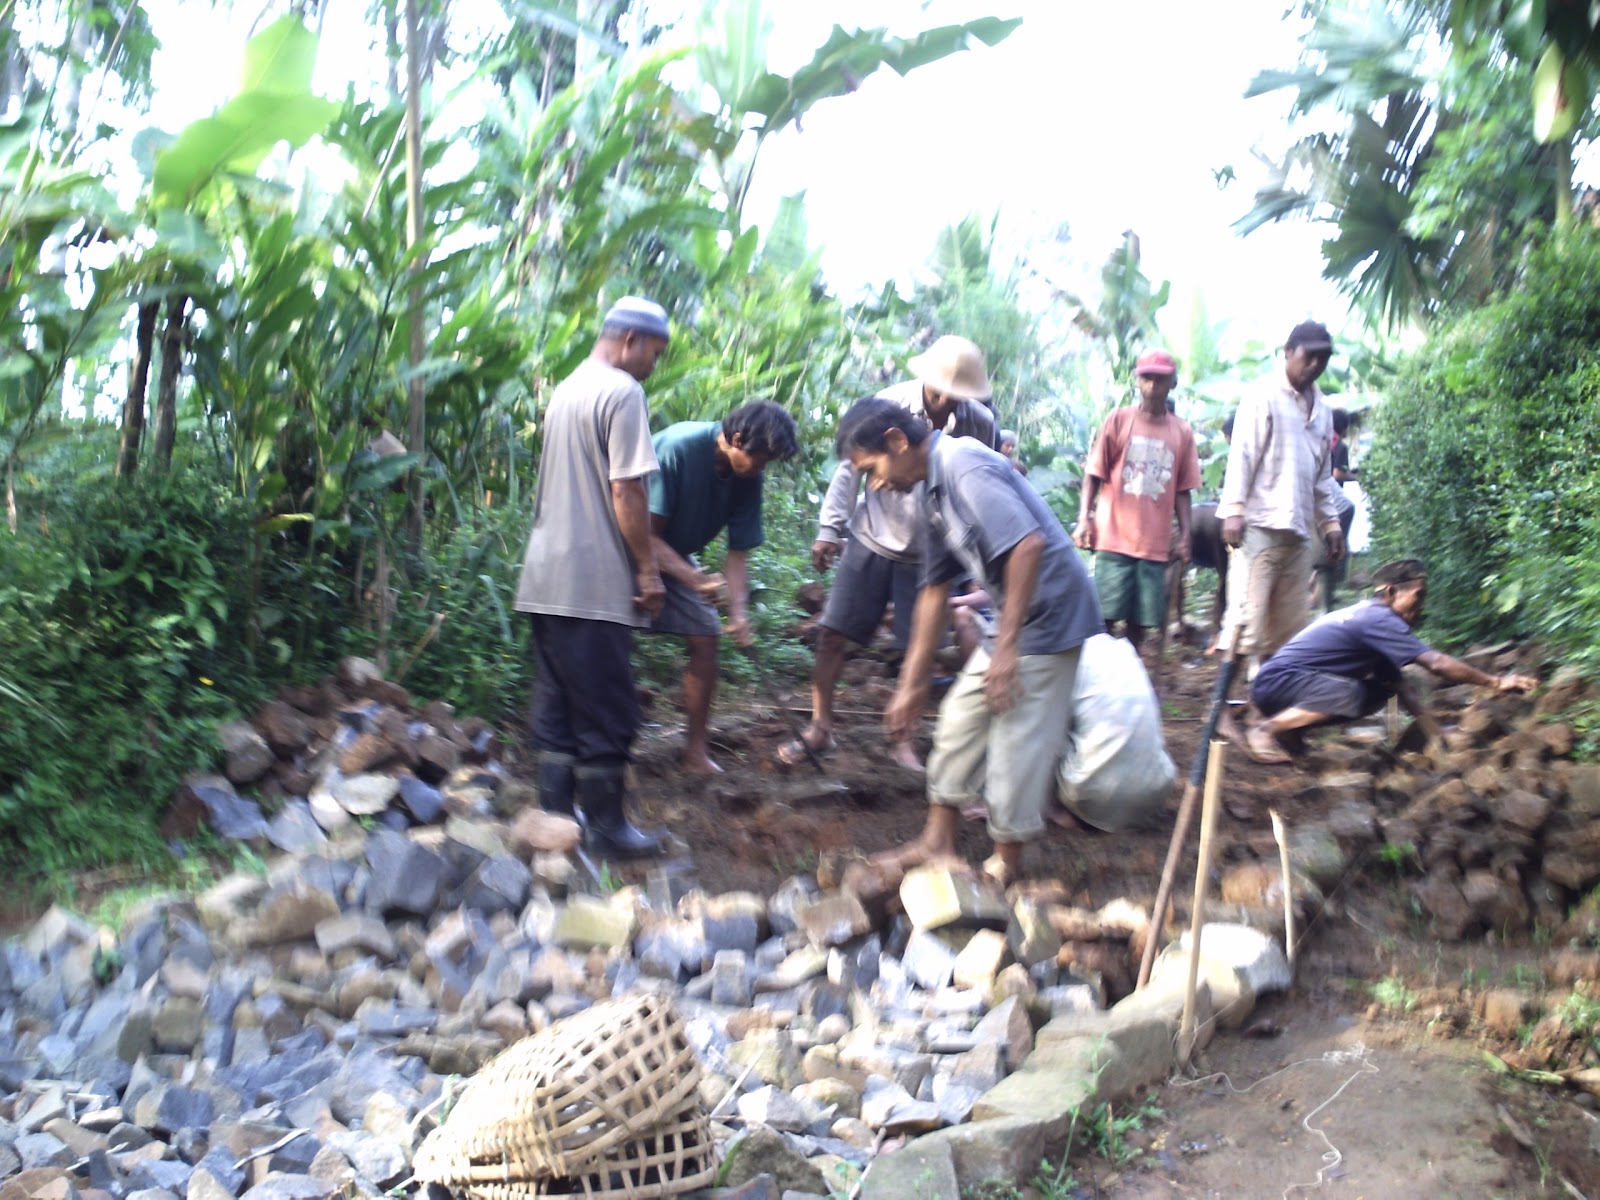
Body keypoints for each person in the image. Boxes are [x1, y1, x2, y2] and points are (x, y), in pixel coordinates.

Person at [836, 397, 1102, 886]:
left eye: (871, 468)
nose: (874, 483)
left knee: (1018, 733)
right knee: (959, 718)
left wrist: (1005, 648)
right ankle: (937, 843)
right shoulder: (928, 492)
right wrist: (911, 686)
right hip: (1017, 621)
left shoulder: (963, 463)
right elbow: (934, 592)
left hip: (1051, 615)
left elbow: (1028, 545)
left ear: (897, 441)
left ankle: (1006, 863)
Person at [779, 336, 999, 771]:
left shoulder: (980, 423)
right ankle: (820, 728)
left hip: (932, 550)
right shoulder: (888, 406)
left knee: (920, 649)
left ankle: (903, 742)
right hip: (873, 536)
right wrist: (830, 527)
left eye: (958, 395)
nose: (947, 400)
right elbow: (849, 467)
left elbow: (980, 483)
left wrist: (976, 558)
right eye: (940, 390)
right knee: (833, 634)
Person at [514, 296, 671, 859]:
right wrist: (648, 569)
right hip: (592, 578)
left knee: (558, 703)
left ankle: (558, 822)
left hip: (544, 575)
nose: (654, 365)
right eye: (654, 353)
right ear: (629, 340)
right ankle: (605, 830)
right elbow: (627, 489)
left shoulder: (568, 387)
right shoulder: (622, 392)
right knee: (609, 708)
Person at [1244, 558, 1538, 764]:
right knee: (1351, 693)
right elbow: (1436, 663)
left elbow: (1400, 687)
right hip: (1277, 684)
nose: (1421, 607)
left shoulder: (1374, 620)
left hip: (1284, 685)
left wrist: (1436, 733)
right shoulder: (1378, 618)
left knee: (1380, 689)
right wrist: (1496, 681)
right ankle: (1266, 730)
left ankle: (1292, 735)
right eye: (1418, 596)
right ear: (1391, 592)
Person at [646, 401, 800, 775]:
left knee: (706, 636)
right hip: (625, 545)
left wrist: (740, 614)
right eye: (761, 460)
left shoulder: (747, 475)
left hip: (675, 553)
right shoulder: (680, 448)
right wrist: (695, 578)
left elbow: (738, 553)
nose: (762, 468)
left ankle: (694, 754)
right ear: (734, 439)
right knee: (612, 635)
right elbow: (643, 534)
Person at [1217, 320, 1347, 665]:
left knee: (1288, 628)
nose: (1316, 365)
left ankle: (1263, 706)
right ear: (1288, 352)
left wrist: (1332, 526)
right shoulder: (1263, 395)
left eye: (1324, 358)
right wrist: (1233, 510)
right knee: (1246, 621)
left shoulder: (1323, 411)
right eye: (1310, 356)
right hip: (1258, 526)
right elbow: (1242, 456)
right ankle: (1224, 712)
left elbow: (1321, 477)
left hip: (1299, 529)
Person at [1073, 349, 1201, 651]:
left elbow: (1183, 490)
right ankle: (1099, 681)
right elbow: (1094, 474)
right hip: (1113, 539)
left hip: (1154, 546)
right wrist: (1084, 519)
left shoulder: (1181, 432)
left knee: (1140, 625)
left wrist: (1185, 537)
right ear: (1137, 381)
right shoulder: (1118, 421)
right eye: (1147, 378)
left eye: (1160, 379)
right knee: (1103, 619)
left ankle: (1127, 681)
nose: (1153, 385)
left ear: (1173, 383)